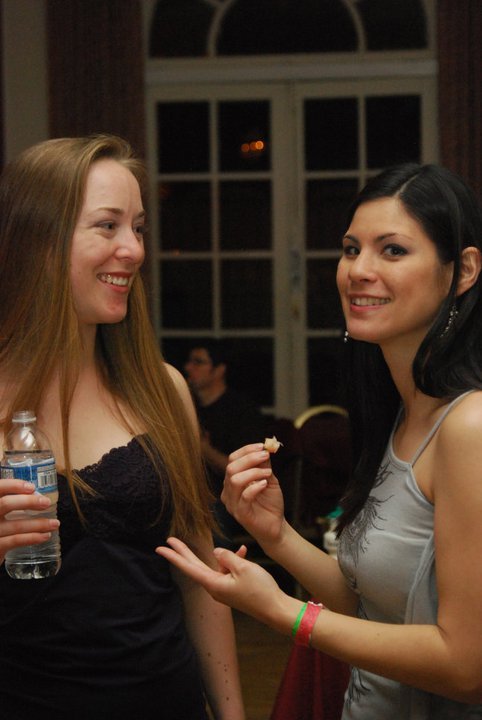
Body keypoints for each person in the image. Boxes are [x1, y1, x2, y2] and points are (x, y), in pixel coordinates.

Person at [157, 163, 482, 719]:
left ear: (464, 270)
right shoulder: (403, 415)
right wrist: (277, 535)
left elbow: (467, 666)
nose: (360, 270)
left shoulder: (468, 426)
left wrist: (283, 612)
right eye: (352, 249)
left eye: (393, 250)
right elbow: (371, 605)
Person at [0, 135, 245, 720]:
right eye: (107, 226)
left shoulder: (161, 389)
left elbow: (199, 576)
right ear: (39, 241)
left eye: (138, 228)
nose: (133, 250)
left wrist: (232, 715)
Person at [184, 339, 266, 544]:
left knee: (211, 515)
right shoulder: (186, 408)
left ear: (219, 370)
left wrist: (203, 449)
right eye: (190, 361)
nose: (188, 367)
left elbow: (248, 473)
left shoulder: (242, 412)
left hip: (229, 498)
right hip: (189, 494)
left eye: (198, 362)